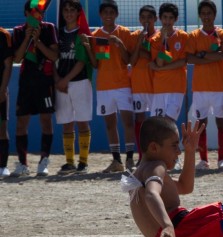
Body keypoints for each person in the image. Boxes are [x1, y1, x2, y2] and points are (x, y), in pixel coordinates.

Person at [11, 0, 58, 177]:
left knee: (46, 120)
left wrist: (37, 41)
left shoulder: (49, 29)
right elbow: (17, 58)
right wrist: (28, 38)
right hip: (26, 82)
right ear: (26, 14)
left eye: (39, 13)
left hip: (44, 82)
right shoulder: (17, 31)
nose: (36, 16)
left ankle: (43, 161)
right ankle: (23, 163)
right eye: (32, 13)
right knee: (21, 123)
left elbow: (54, 56)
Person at [91, 0, 136, 173]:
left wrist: (120, 44)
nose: (108, 16)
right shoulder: (96, 35)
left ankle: (130, 158)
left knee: (128, 122)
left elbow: (128, 59)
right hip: (104, 87)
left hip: (123, 84)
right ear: (101, 15)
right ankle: (116, 160)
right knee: (110, 124)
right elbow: (97, 64)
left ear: (116, 14)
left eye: (111, 13)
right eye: (105, 13)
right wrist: (89, 48)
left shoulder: (124, 32)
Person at [186, 0, 223, 170]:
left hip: (219, 86)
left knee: (221, 123)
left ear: (214, 15)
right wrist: (212, 55)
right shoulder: (194, 36)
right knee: (201, 125)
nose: (206, 17)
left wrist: (203, 55)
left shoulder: (222, 34)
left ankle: (222, 159)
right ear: (199, 15)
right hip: (200, 87)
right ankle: (203, 160)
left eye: (209, 13)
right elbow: (190, 58)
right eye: (203, 13)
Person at [55, 0, 95, 175]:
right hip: (61, 83)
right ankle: (69, 161)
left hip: (79, 81)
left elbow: (82, 61)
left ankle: (83, 162)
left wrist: (66, 80)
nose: (69, 13)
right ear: (62, 13)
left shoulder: (82, 34)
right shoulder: (57, 33)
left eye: (72, 10)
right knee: (66, 123)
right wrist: (58, 80)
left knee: (82, 121)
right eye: (66, 10)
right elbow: (53, 58)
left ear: (78, 13)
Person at [149, 3, 188, 123]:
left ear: (175, 19)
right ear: (160, 18)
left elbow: (183, 61)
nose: (167, 21)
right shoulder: (155, 40)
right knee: (158, 125)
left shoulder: (183, 37)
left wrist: (160, 69)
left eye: (171, 18)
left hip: (177, 87)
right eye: (165, 17)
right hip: (160, 87)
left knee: (169, 123)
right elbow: (159, 63)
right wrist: (163, 40)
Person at [130, 5, 158, 164]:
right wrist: (139, 45)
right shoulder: (135, 36)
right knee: (139, 119)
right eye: (143, 17)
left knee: (156, 122)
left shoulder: (160, 36)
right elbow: (132, 61)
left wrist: (143, 50)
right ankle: (142, 156)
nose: (146, 20)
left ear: (155, 19)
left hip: (156, 86)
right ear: (140, 20)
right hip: (139, 85)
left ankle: (157, 155)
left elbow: (154, 59)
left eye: (150, 17)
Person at [0, 26, 13, 178]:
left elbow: (8, 64)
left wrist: (2, 89)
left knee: (2, 128)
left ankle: (2, 166)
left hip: (0, 88)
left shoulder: (4, 35)